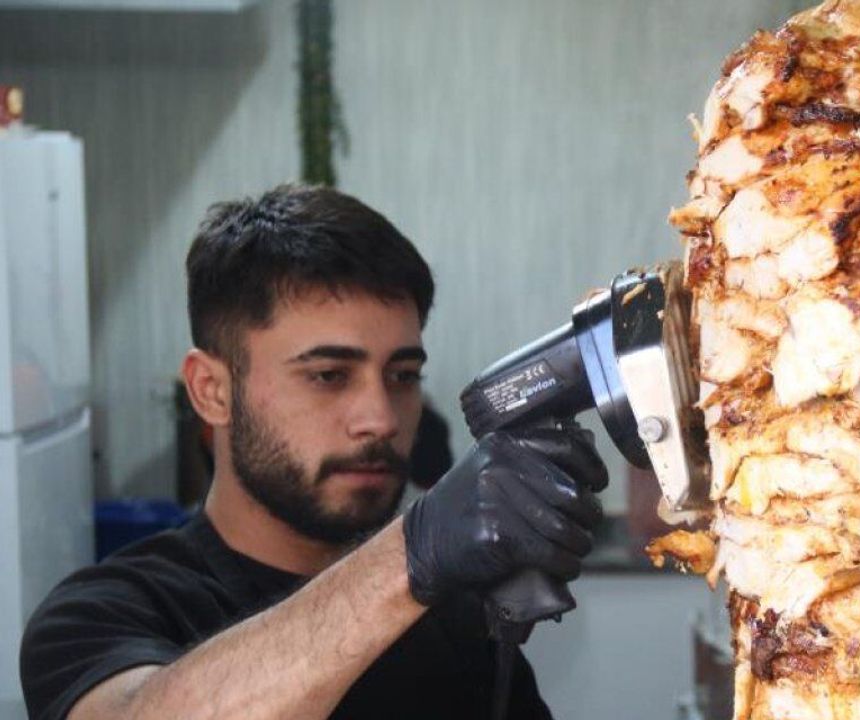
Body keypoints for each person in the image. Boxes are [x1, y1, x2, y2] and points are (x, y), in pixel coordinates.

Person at [19, 184, 607, 720]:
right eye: (328, 375)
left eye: (402, 376)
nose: (380, 419)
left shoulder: (458, 616)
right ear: (212, 391)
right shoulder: (100, 615)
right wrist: (414, 551)